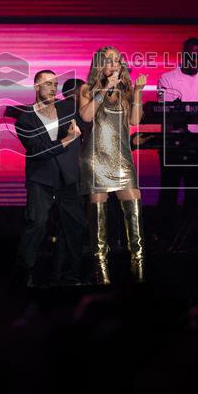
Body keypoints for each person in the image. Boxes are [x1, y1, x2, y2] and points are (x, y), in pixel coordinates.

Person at [79, 46, 148, 283]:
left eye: (118, 61)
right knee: (99, 224)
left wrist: (137, 92)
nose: (114, 64)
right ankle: (102, 279)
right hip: (96, 158)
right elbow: (86, 117)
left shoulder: (126, 90)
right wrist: (106, 87)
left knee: (134, 215)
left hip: (122, 159)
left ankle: (138, 276)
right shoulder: (87, 89)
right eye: (109, 61)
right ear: (99, 64)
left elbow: (135, 121)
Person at [14, 71, 87, 286]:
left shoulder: (68, 108)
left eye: (56, 84)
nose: (53, 88)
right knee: (37, 224)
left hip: (68, 178)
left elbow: (90, 111)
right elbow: (37, 151)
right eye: (48, 84)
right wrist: (68, 139)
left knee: (75, 226)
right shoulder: (25, 118)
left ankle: (67, 273)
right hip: (41, 179)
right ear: (36, 86)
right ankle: (24, 273)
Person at [155, 37, 198, 235]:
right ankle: (165, 236)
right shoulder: (166, 78)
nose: (195, 59)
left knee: (197, 193)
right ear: (184, 55)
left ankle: (192, 236)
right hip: (173, 147)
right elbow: (168, 112)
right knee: (169, 192)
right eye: (192, 54)